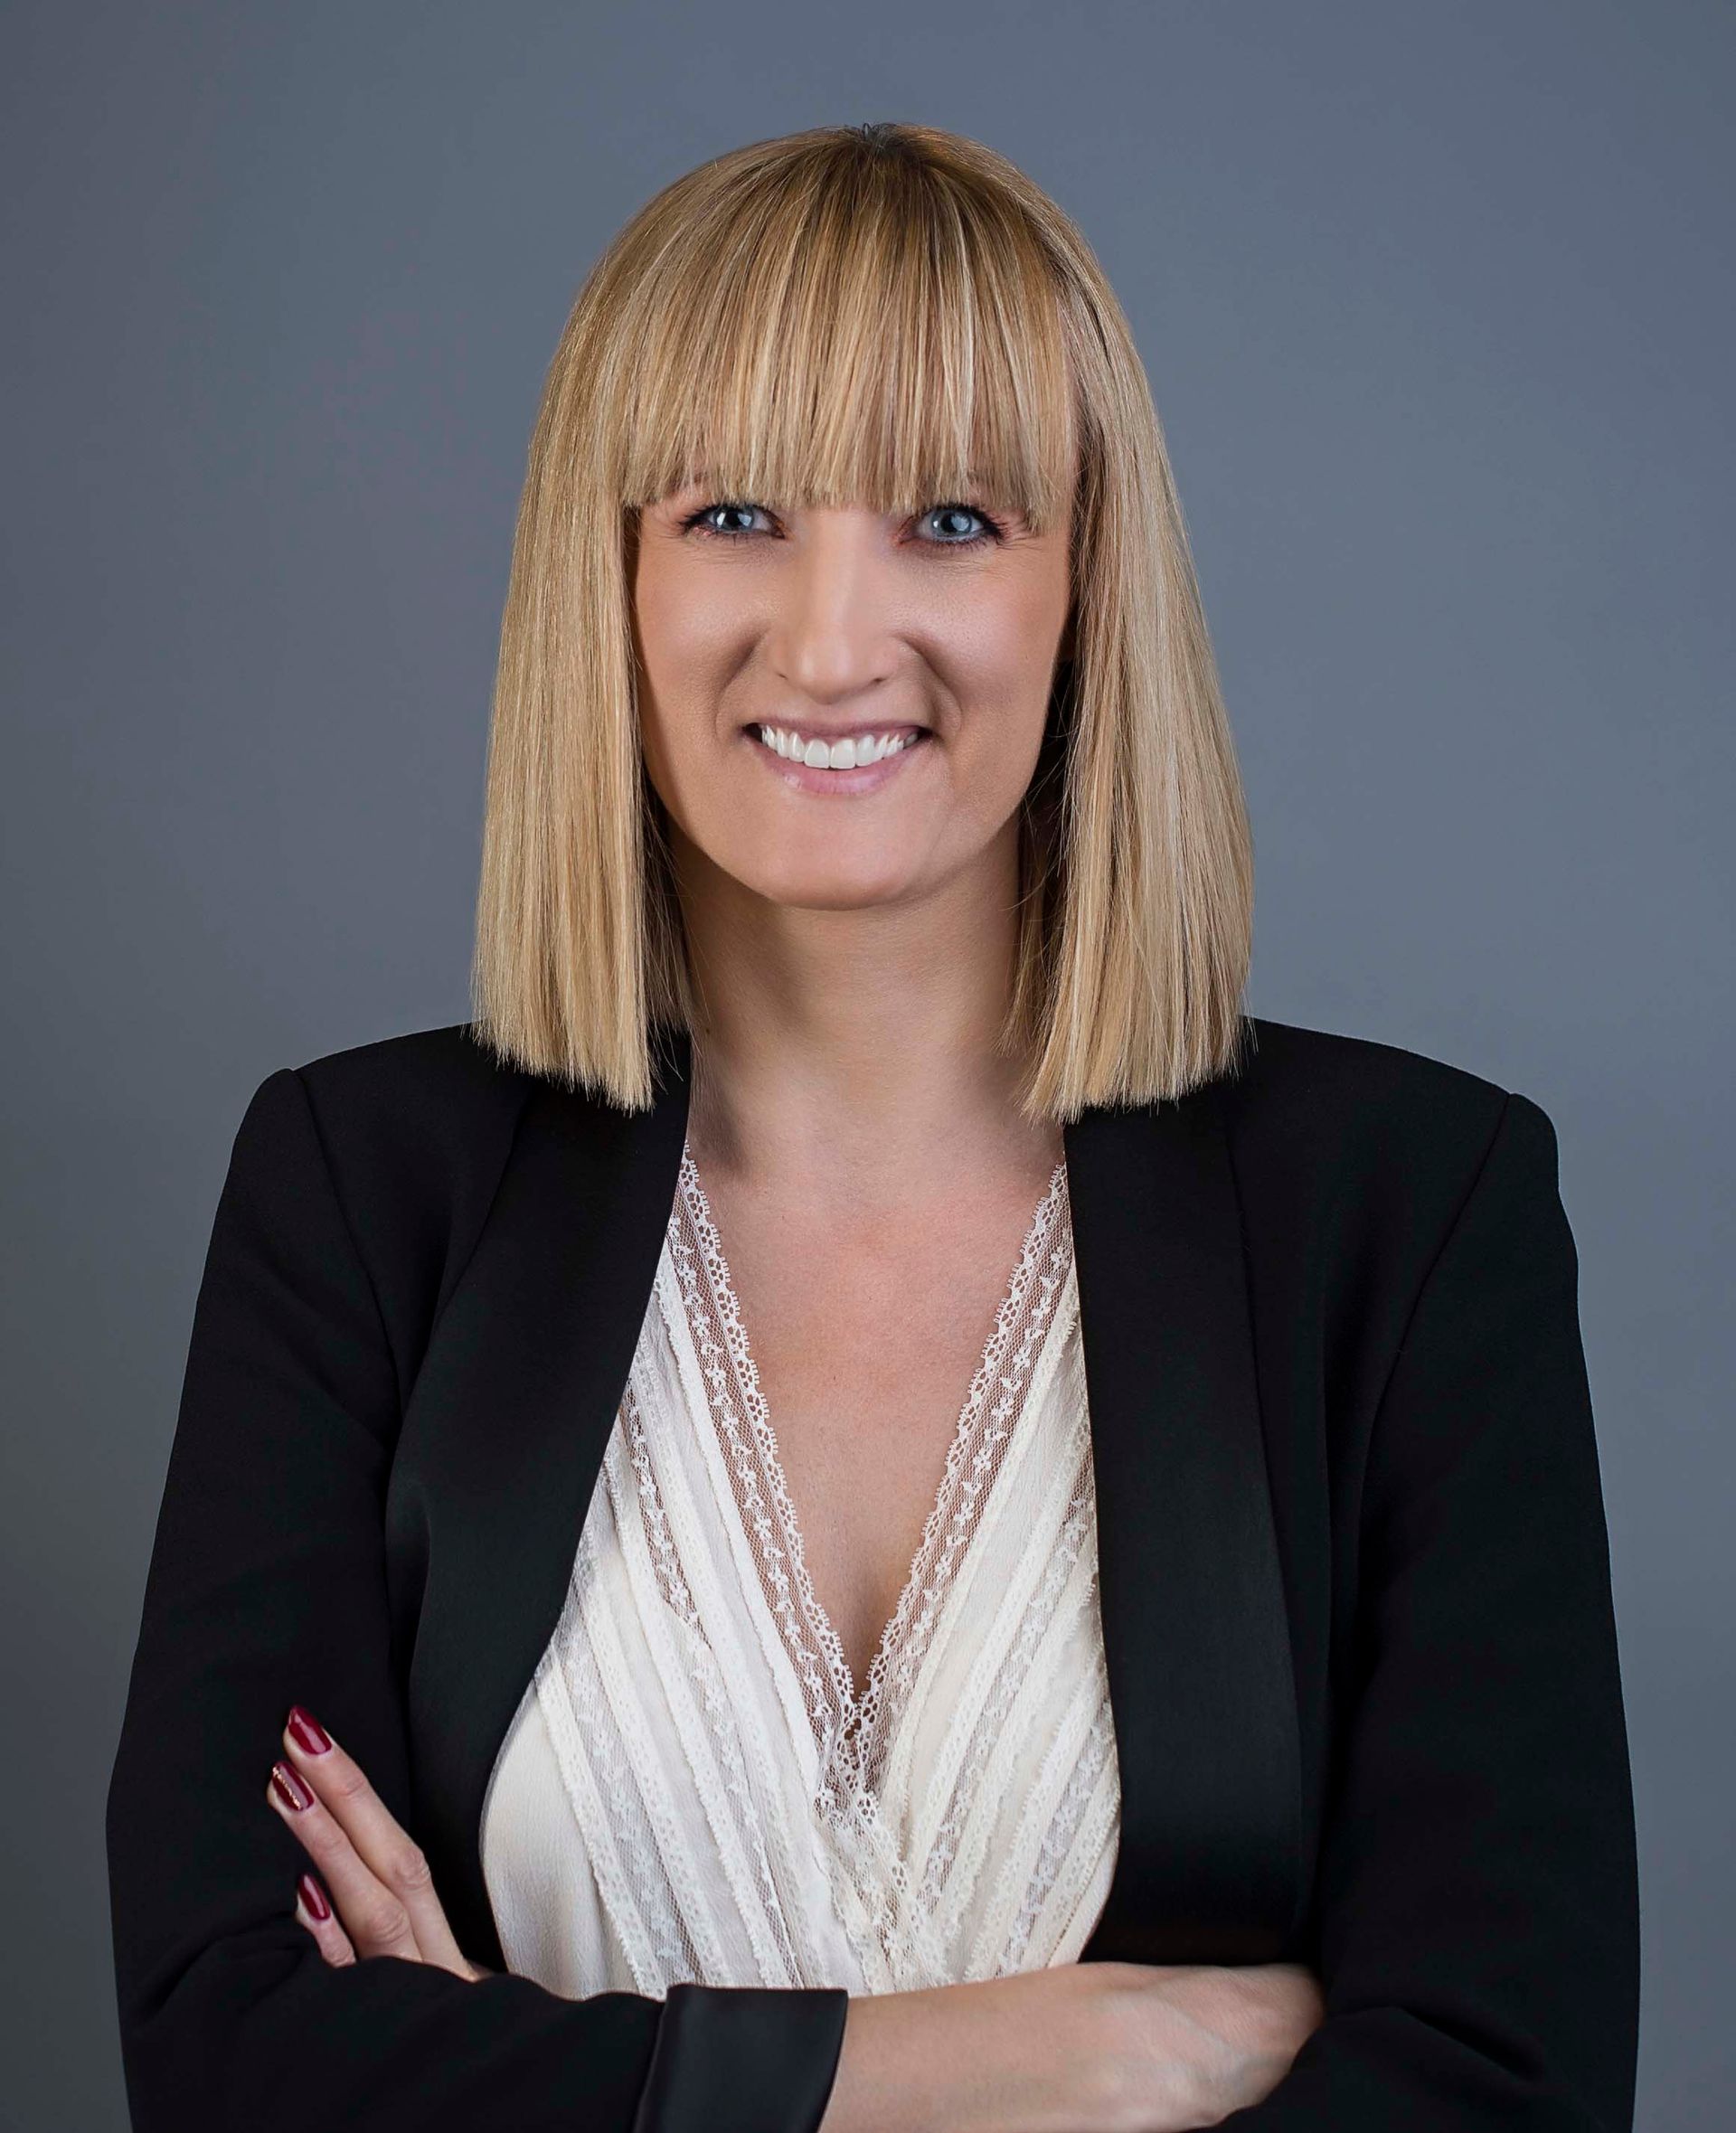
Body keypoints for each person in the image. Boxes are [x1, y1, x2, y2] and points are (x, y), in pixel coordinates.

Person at [104, 121, 1640, 2133]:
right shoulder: (357, 1195)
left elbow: (1503, 2087)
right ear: (614, 575)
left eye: (951, 517)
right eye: (735, 511)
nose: (833, 640)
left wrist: (535, 2065)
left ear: (1087, 580)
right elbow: (237, 2068)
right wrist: (1045, 2062)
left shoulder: (1415, 1218)